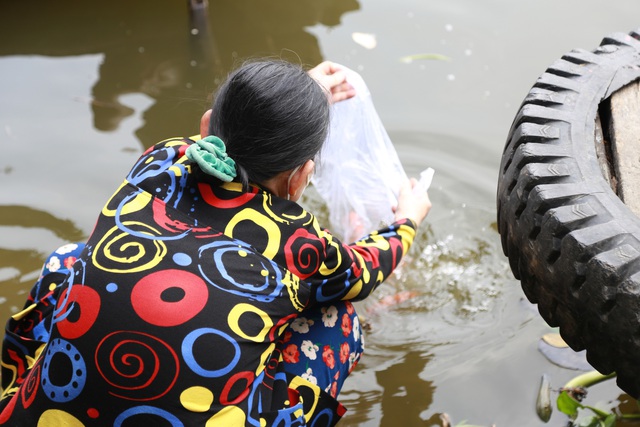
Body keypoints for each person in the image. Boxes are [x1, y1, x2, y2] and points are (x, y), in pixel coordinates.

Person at [0, 59, 431, 426]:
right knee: (336, 319)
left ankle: (17, 378)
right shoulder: (298, 238)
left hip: (40, 418)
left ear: (207, 126)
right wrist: (406, 220)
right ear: (301, 176)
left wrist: (294, 95)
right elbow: (366, 269)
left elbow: (221, 139)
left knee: (68, 260)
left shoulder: (159, 163)